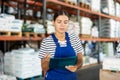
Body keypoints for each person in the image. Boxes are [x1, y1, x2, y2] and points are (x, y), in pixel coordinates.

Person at [39, 10, 83, 80]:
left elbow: (80, 59)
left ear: (68, 23)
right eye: (59, 22)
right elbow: (43, 69)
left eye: (65, 22)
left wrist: (76, 66)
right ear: (53, 22)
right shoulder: (46, 42)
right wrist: (46, 63)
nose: (62, 25)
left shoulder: (75, 39)